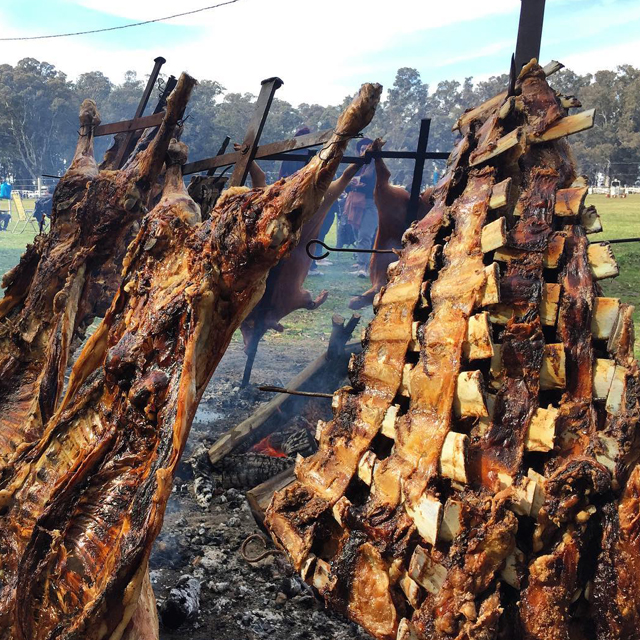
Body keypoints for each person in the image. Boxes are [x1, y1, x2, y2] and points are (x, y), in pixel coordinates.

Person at [343, 139, 376, 275]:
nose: (364, 151)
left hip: (371, 204)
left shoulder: (376, 166)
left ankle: (364, 267)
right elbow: (346, 186)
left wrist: (357, 184)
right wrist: (352, 184)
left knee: (365, 235)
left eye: (367, 149)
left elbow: (372, 186)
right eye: (362, 149)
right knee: (358, 235)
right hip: (355, 204)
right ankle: (361, 262)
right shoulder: (356, 166)